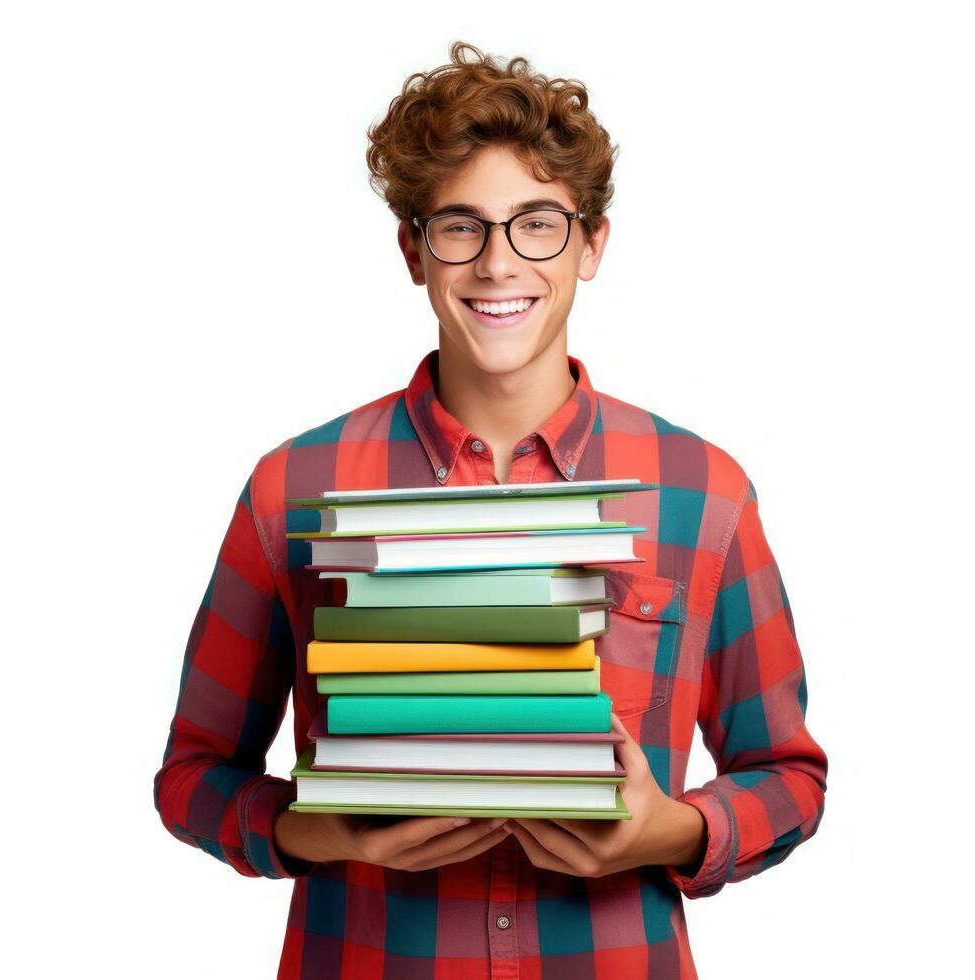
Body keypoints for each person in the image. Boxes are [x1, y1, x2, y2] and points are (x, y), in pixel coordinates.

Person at [154, 41, 828, 979]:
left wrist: (670, 831)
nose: (498, 263)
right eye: (461, 226)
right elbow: (192, 777)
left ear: (592, 245)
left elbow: (791, 778)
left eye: (537, 224)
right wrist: (312, 832)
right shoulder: (291, 489)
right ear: (413, 250)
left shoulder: (702, 491)